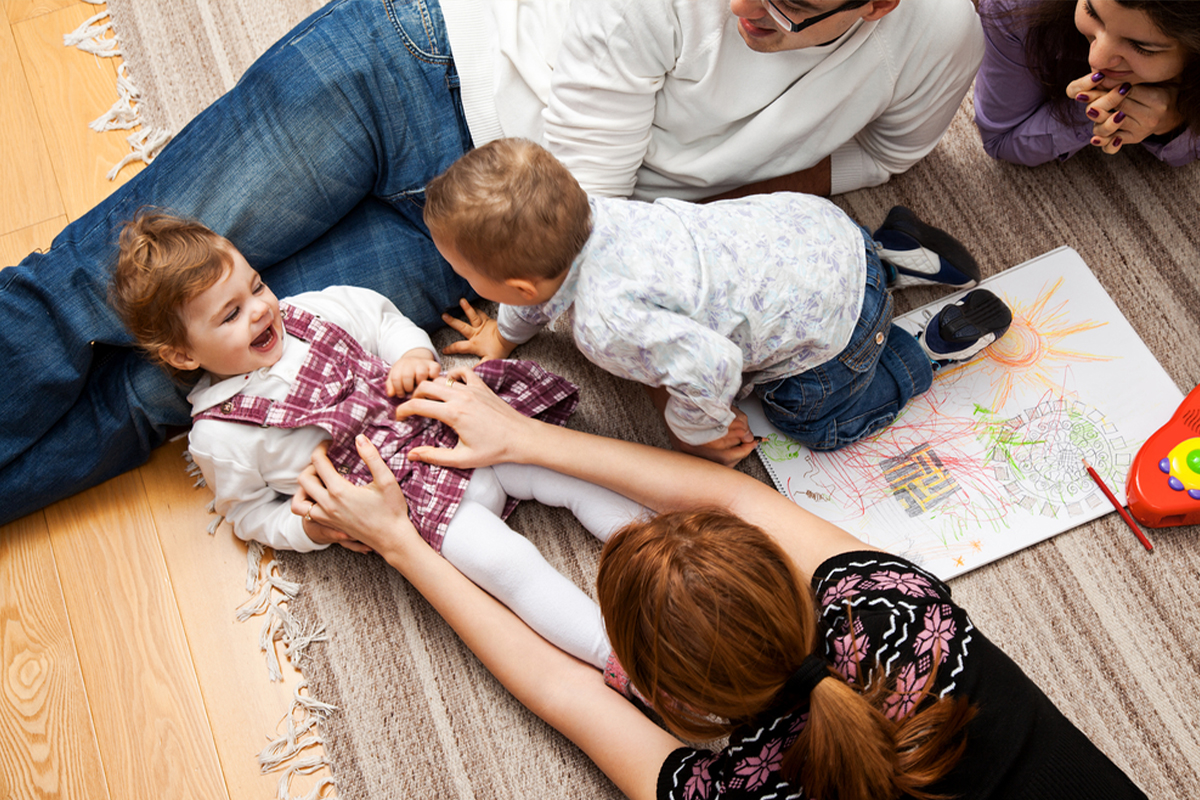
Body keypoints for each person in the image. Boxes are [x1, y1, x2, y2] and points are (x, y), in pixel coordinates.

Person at [0, 0, 983, 526]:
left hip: (502, 241)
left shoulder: (939, 41)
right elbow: (574, 199)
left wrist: (733, 197)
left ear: (879, 4)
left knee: (171, 388)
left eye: (787, 7)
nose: (746, 11)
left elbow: (885, 154)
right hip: (416, 71)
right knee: (90, 288)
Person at [290, 368, 1148, 800]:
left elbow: (560, 687)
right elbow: (734, 495)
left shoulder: (725, 792)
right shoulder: (899, 610)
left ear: (658, 698)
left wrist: (402, 545)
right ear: (789, 584)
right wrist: (520, 439)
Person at [108, 211, 648, 675]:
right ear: (184, 355)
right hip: (413, 507)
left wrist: (414, 353)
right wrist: (308, 527)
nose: (258, 309)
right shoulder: (220, 436)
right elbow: (248, 514)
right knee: (510, 567)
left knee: (572, 476)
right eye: (230, 315)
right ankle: (617, 657)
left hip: (452, 432)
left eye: (255, 286)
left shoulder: (314, 311)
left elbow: (383, 319)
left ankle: (666, 544)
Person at [424, 139, 1013, 466]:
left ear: (521, 287)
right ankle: (888, 253)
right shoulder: (590, 211)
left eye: (462, 270)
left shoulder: (608, 324)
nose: (457, 275)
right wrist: (503, 338)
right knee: (787, 267)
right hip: (820, 231)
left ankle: (921, 353)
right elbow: (539, 296)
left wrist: (695, 435)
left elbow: (713, 368)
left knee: (809, 419)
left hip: (841, 329)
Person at [975, 0, 1200, 165]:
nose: (1096, 59)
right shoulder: (1016, 9)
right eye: (1091, 11)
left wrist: (1177, 120)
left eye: (1141, 47)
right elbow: (1000, 141)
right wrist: (1101, 106)